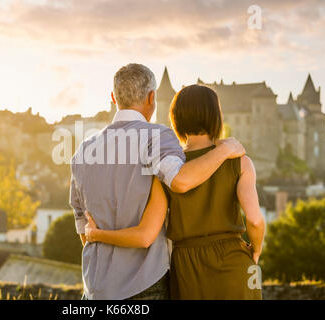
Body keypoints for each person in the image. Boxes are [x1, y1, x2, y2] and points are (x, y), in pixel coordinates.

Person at [70, 64, 246, 300]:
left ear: (113, 98)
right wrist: (225, 150)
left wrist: (99, 237)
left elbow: (84, 231)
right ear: (152, 97)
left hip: (95, 289)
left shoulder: (83, 151)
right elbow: (180, 181)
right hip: (144, 285)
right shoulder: (158, 137)